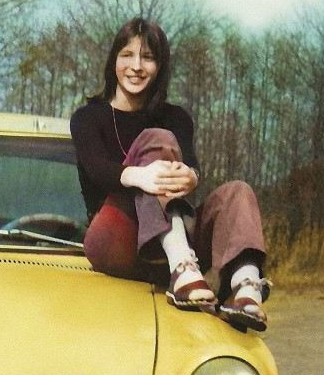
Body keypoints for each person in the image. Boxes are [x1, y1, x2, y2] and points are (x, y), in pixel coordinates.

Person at [70, 18, 271, 331]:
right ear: (113, 61)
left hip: (170, 246)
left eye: (148, 57)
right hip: (114, 239)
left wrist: (191, 176)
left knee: (238, 191)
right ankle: (182, 267)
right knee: (157, 139)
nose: (137, 66)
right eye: (127, 55)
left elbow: (189, 163)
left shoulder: (176, 117)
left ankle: (245, 289)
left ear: (160, 67)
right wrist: (140, 176)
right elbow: (97, 170)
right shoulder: (88, 117)